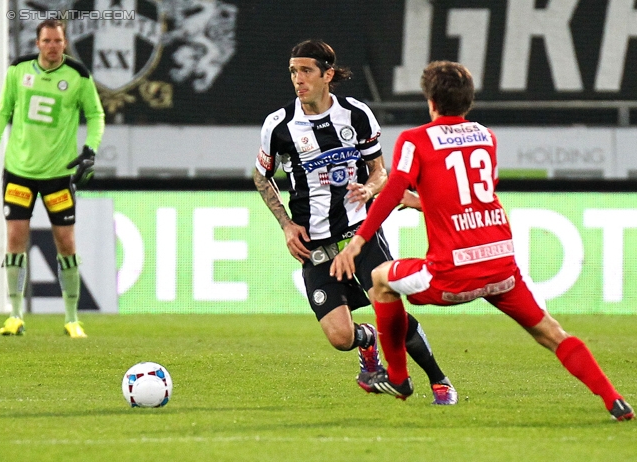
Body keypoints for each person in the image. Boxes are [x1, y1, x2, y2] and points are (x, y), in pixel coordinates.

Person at [329, 60, 634, 420]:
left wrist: (357, 242)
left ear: (431, 101)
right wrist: (420, 202)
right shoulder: (486, 137)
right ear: (468, 102)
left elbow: (391, 190)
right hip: (502, 267)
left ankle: (398, 378)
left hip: (452, 274)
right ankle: (614, 399)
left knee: (380, 281)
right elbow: (470, 195)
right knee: (552, 332)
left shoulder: (416, 140)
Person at [253, 39, 457, 404]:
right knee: (340, 339)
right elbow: (261, 176)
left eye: (306, 71)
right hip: (314, 246)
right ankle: (366, 341)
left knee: (389, 311)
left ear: (327, 74)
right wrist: (285, 224)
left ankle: (440, 380)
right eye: (293, 72)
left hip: (360, 235)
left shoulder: (357, 114)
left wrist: (370, 187)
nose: (298, 79)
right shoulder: (279, 125)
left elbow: (380, 172)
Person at [0, 19, 104, 338]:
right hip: (19, 171)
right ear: (38, 43)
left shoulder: (78, 76)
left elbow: (96, 115)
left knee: (66, 243)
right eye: (47, 41)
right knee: (16, 238)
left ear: (65, 43)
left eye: (58, 40)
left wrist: (90, 150)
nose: (53, 46)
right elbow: (4, 112)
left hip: (58, 174)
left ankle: (72, 318)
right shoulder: (18, 70)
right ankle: (15, 314)